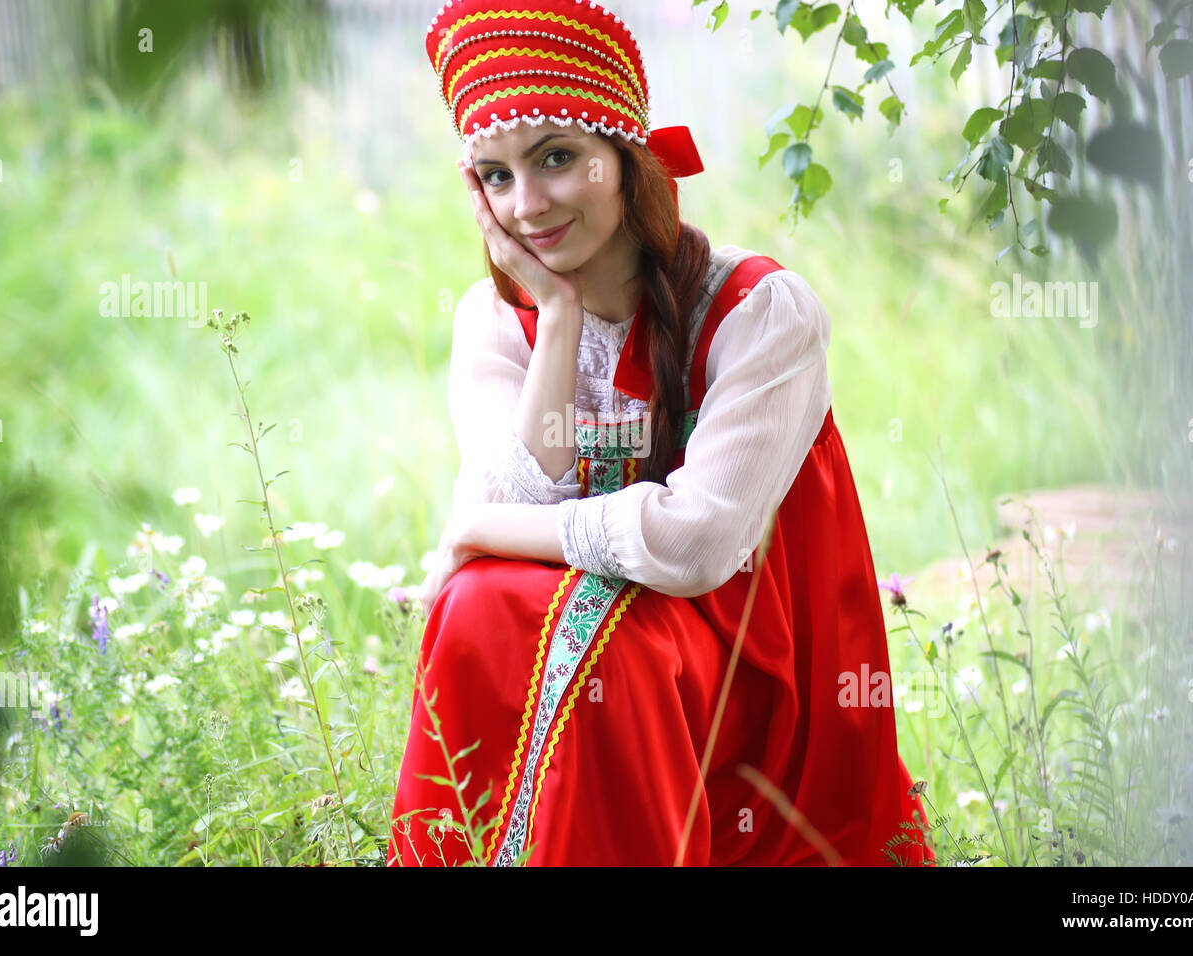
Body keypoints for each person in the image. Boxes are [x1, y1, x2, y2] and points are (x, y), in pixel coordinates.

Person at [387, 0, 936, 866]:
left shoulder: (760, 312)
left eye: (556, 158)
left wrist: (479, 528)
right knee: (476, 602)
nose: (526, 206)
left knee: (596, 641)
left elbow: (692, 547)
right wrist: (560, 314)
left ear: (625, 158)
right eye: (495, 176)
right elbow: (512, 502)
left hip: (742, 682)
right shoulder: (496, 320)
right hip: (604, 646)